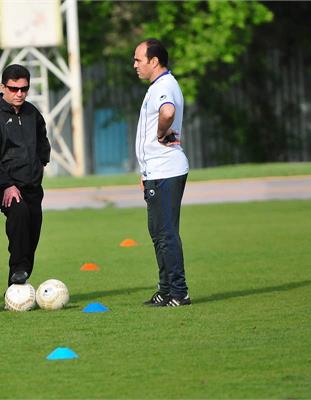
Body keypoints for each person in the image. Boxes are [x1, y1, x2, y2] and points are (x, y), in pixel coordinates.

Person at [0, 64, 51, 291]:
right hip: (1, 182)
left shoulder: (32, 113)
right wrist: (7, 185)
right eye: (14, 89)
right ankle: (18, 269)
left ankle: (18, 283)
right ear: (3, 87)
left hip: (31, 182)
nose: (19, 94)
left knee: (32, 229)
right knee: (18, 212)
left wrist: (39, 167)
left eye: (24, 89)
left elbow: (43, 144)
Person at [133, 39, 191, 307]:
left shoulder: (164, 86)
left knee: (166, 233)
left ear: (154, 61)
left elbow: (167, 112)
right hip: (156, 170)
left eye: (138, 60)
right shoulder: (159, 86)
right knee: (158, 233)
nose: (135, 65)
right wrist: (145, 172)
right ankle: (166, 289)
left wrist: (160, 132)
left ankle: (179, 292)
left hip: (166, 169)